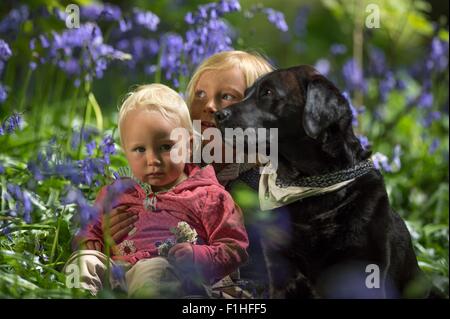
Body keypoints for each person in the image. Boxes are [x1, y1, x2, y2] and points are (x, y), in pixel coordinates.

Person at [104, 51, 275, 297]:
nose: (209, 106)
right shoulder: (170, 167)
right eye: (200, 94)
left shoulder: (258, 186)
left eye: (227, 96)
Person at [64, 83, 249, 298]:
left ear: (189, 146)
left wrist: (197, 256)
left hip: (174, 276)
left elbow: (234, 248)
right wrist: (90, 240)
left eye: (166, 147)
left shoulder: (209, 196)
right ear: (125, 151)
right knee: (82, 262)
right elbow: (89, 228)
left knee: (153, 270)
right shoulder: (116, 192)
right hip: (117, 271)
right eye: (140, 149)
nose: (153, 160)